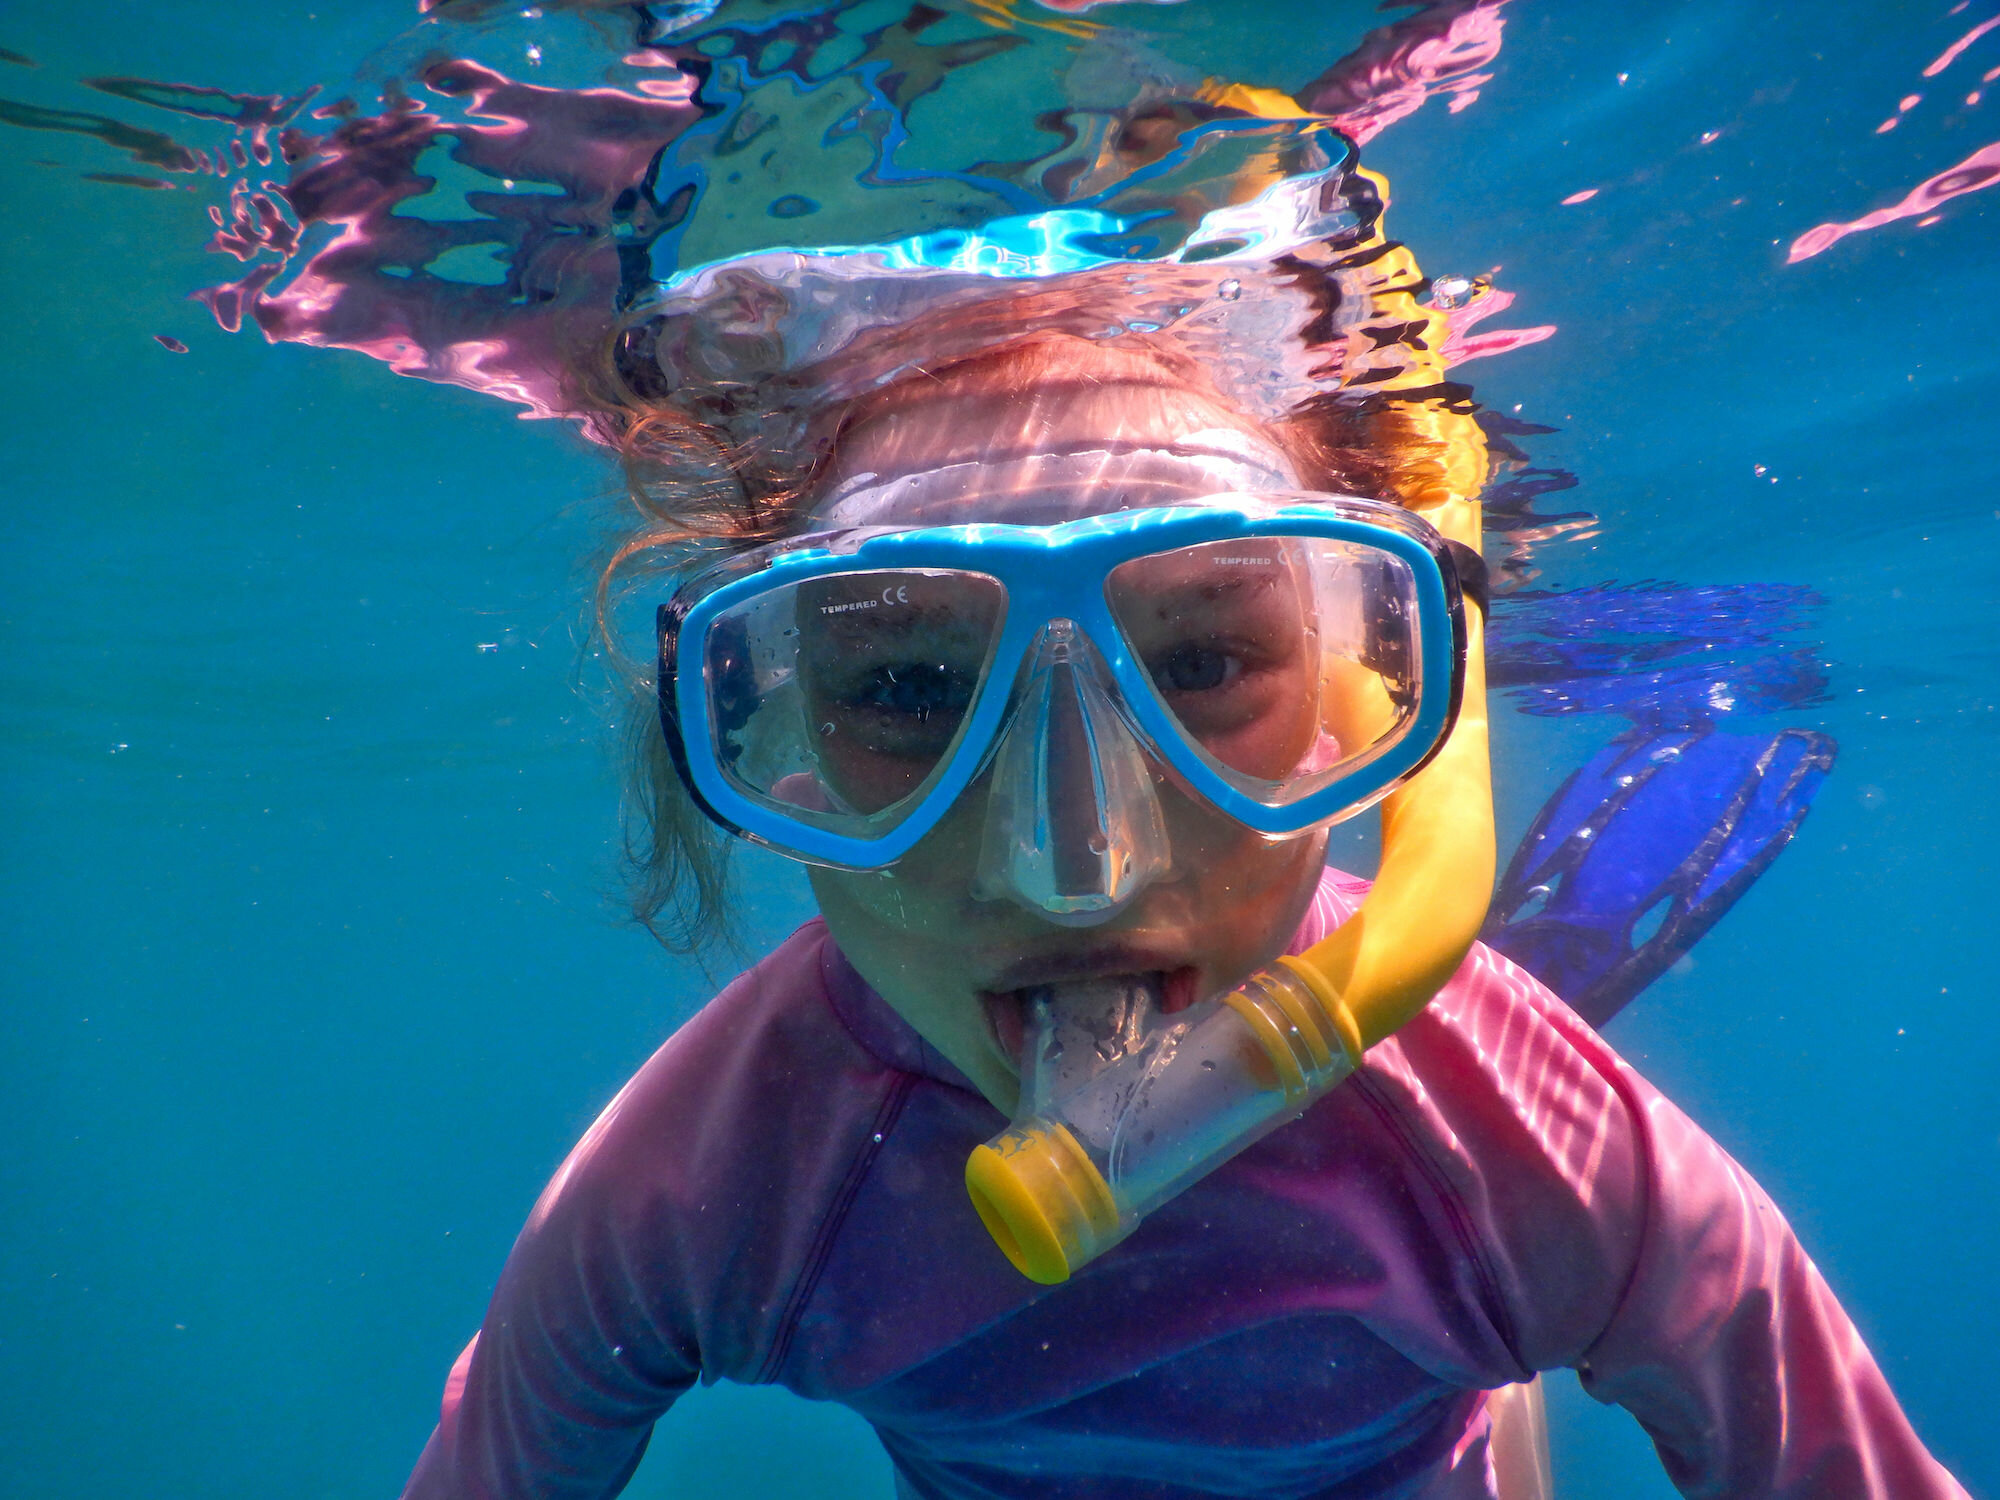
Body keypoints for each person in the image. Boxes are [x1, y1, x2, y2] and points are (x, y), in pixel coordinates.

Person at [400, 317, 1968, 1497]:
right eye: (913, 687)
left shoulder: (1523, 1147)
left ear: (1359, 702)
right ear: (778, 731)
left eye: (1205, 662)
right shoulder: (719, 1177)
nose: (1076, 872)